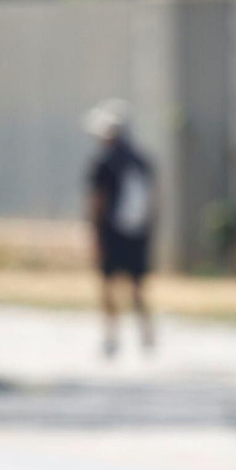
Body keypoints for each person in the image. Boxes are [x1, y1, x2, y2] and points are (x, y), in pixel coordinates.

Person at [83, 98, 156, 357]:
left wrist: (94, 232)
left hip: (111, 232)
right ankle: (146, 333)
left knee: (107, 284)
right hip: (138, 232)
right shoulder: (141, 160)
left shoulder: (103, 163)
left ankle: (111, 336)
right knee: (137, 286)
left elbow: (98, 201)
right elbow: (155, 199)